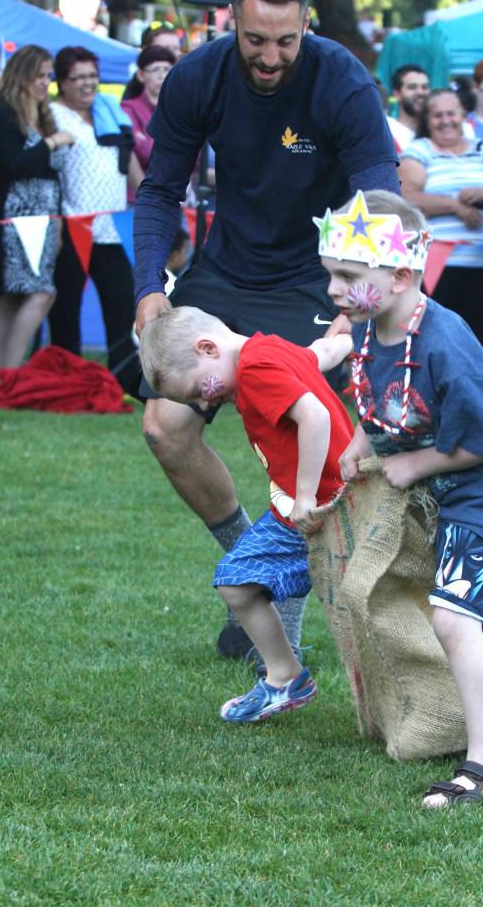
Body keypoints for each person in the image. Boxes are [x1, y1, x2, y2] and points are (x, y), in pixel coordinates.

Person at [132, 0, 399, 659]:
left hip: (315, 274)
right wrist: (148, 285)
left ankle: (287, 608)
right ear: (234, 21)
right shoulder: (199, 75)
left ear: (306, 24)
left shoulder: (342, 79)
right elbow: (161, 188)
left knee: (300, 441)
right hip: (225, 270)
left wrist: (361, 294)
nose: (271, 56)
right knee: (165, 426)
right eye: (256, 40)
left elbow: (378, 194)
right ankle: (257, 557)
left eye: (286, 40)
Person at [320, 189, 483, 808]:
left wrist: (416, 461)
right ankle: (465, 721)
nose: (335, 290)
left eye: (348, 276)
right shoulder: (369, 330)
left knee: (452, 617)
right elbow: (375, 395)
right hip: (446, 494)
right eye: (331, 275)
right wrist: (361, 441)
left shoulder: (446, 341)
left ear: (401, 274)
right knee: (438, 612)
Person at [139, 306, 354, 721]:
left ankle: (290, 677)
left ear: (206, 348)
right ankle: (284, 677)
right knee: (237, 581)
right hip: (321, 502)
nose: (205, 401)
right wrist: (349, 341)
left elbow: (315, 415)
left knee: (245, 581)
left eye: (198, 389)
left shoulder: (255, 370)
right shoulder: (268, 349)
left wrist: (306, 495)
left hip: (320, 507)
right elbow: (317, 354)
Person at [48, 45, 144, 396]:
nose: (89, 85)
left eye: (93, 76)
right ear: (61, 82)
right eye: (79, 78)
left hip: (110, 228)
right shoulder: (52, 115)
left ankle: (123, 375)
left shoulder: (108, 110)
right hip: (72, 224)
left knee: (121, 302)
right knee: (65, 306)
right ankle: (67, 374)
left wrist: (145, 192)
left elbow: (127, 158)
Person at [0, 45, 75, 382]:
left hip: (45, 220)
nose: (45, 82)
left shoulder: (43, 115)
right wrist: (51, 143)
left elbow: (53, 176)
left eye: (48, 76)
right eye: (40, 75)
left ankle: (2, 377)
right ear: (23, 76)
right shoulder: (2, 115)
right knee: (32, 293)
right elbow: (11, 166)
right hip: (14, 218)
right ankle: (10, 375)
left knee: (16, 296)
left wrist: (58, 223)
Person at [399, 88, 483, 353]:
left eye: (451, 113)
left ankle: (479, 391)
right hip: (439, 262)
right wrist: (454, 206)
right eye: (437, 115)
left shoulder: (482, 149)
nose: (445, 120)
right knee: (438, 332)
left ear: (463, 115)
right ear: (427, 120)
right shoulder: (418, 151)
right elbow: (407, 198)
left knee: (478, 332)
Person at [120, 44, 175, 192]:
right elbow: (144, 152)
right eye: (155, 69)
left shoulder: (180, 109)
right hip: (136, 198)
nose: (162, 75)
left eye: (167, 69)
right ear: (141, 75)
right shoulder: (128, 109)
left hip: (179, 198)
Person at [387, 64, 430, 154]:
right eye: (412, 87)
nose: (420, 92)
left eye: (425, 87)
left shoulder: (437, 131)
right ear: (397, 94)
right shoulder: (387, 132)